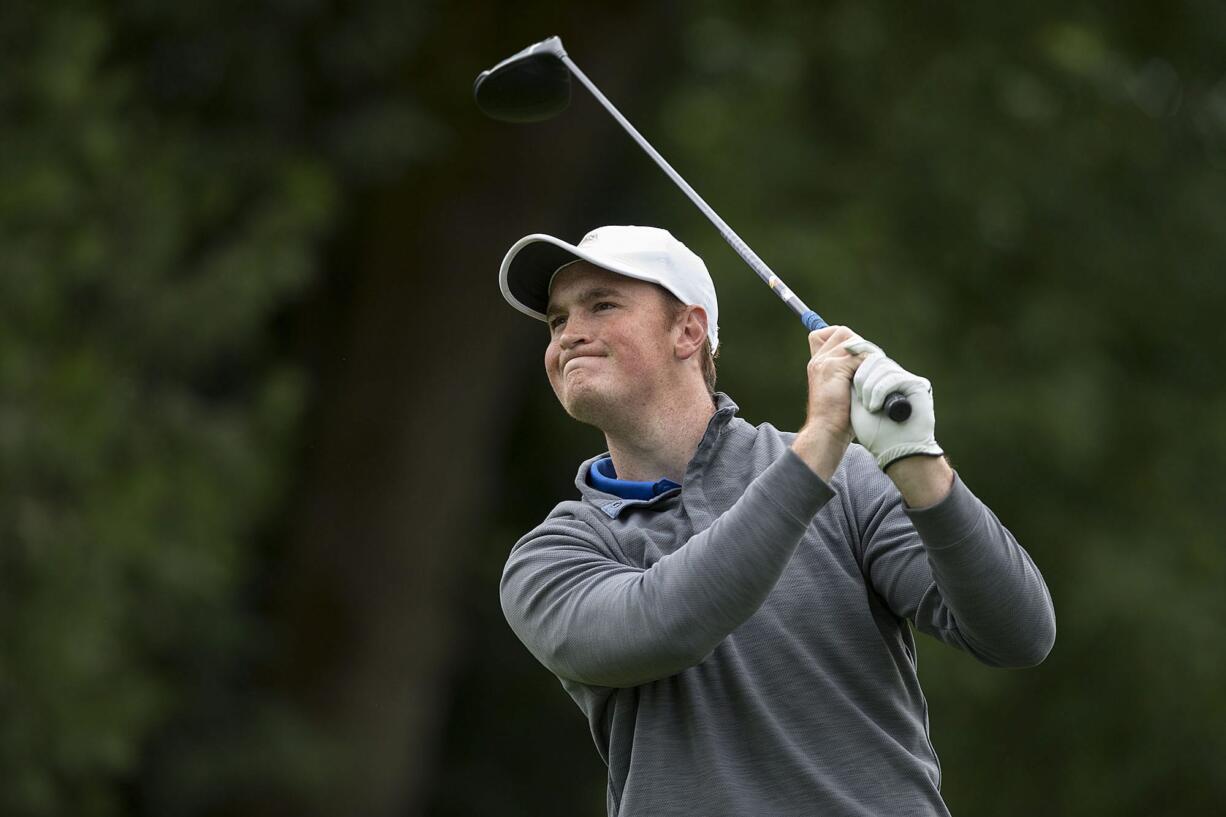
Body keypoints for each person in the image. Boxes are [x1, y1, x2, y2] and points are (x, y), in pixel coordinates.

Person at [496, 225, 1056, 817]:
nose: (570, 336)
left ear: (689, 331)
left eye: (601, 306)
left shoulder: (849, 481)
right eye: (557, 321)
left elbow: (1017, 634)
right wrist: (820, 445)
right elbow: (662, 623)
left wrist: (917, 461)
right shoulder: (552, 553)